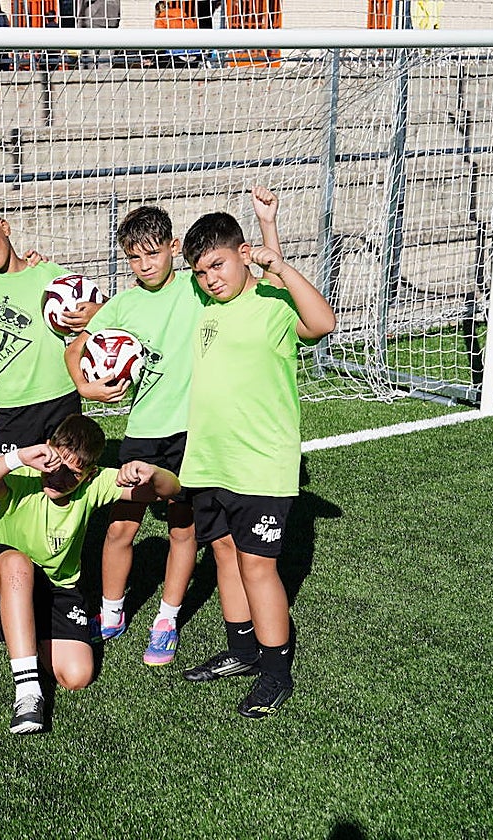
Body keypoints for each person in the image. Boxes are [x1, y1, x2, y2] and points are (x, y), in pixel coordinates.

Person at [66, 190, 279, 668]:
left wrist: (266, 230)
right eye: (134, 257)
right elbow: (75, 348)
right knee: (122, 527)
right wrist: (87, 385)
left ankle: (166, 619)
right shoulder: (119, 308)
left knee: (185, 531)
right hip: (143, 431)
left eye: (153, 252)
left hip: (191, 434)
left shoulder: (196, 287)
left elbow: (254, 283)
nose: (144, 264)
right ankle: (112, 611)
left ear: (173, 246)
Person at [178, 201, 336, 718]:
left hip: (261, 464)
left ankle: (275, 670)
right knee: (224, 553)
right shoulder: (205, 308)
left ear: (244, 255)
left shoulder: (273, 303)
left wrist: (280, 260)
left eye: (217, 265)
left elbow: (323, 321)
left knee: (257, 565)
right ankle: (242, 651)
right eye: (200, 272)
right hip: (208, 461)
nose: (209, 279)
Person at [0, 413, 180, 734]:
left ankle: (15, 624)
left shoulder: (95, 484)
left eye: (73, 474)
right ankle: (28, 693)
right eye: (57, 466)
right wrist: (17, 457)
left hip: (56, 585)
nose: (59, 478)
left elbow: (167, 490)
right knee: (19, 565)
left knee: (76, 676)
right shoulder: (28, 469)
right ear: (48, 449)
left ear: (89, 475)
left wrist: (152, 472)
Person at [0, 196, 99, 457]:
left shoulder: (49, 274)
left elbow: (105, 310)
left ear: (4, 227)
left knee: (69, 473)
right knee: (17, 485)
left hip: (60, 394)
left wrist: (96, 311)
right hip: (11, 405)